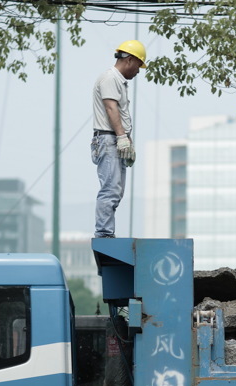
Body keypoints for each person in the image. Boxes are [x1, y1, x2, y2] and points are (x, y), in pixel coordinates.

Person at [92, 39, 146, 238]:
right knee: (111, 189)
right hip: (108, 139)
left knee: (116, 191)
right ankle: (104, 234)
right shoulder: (110, 78)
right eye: (139, 66)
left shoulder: (118, 81)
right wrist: (122, 137)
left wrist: (127, 141)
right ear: (130, 60)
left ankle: (106, 232)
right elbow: (111, 108)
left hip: (114, 138)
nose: (138, 71)